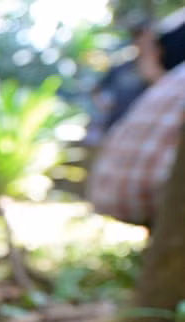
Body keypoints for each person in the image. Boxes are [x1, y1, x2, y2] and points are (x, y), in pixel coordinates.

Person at [86, 9, 185, 228]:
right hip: (156, 198)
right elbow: (97, 92)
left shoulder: (165, 79)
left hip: (115, 192)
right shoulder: (127, 69)